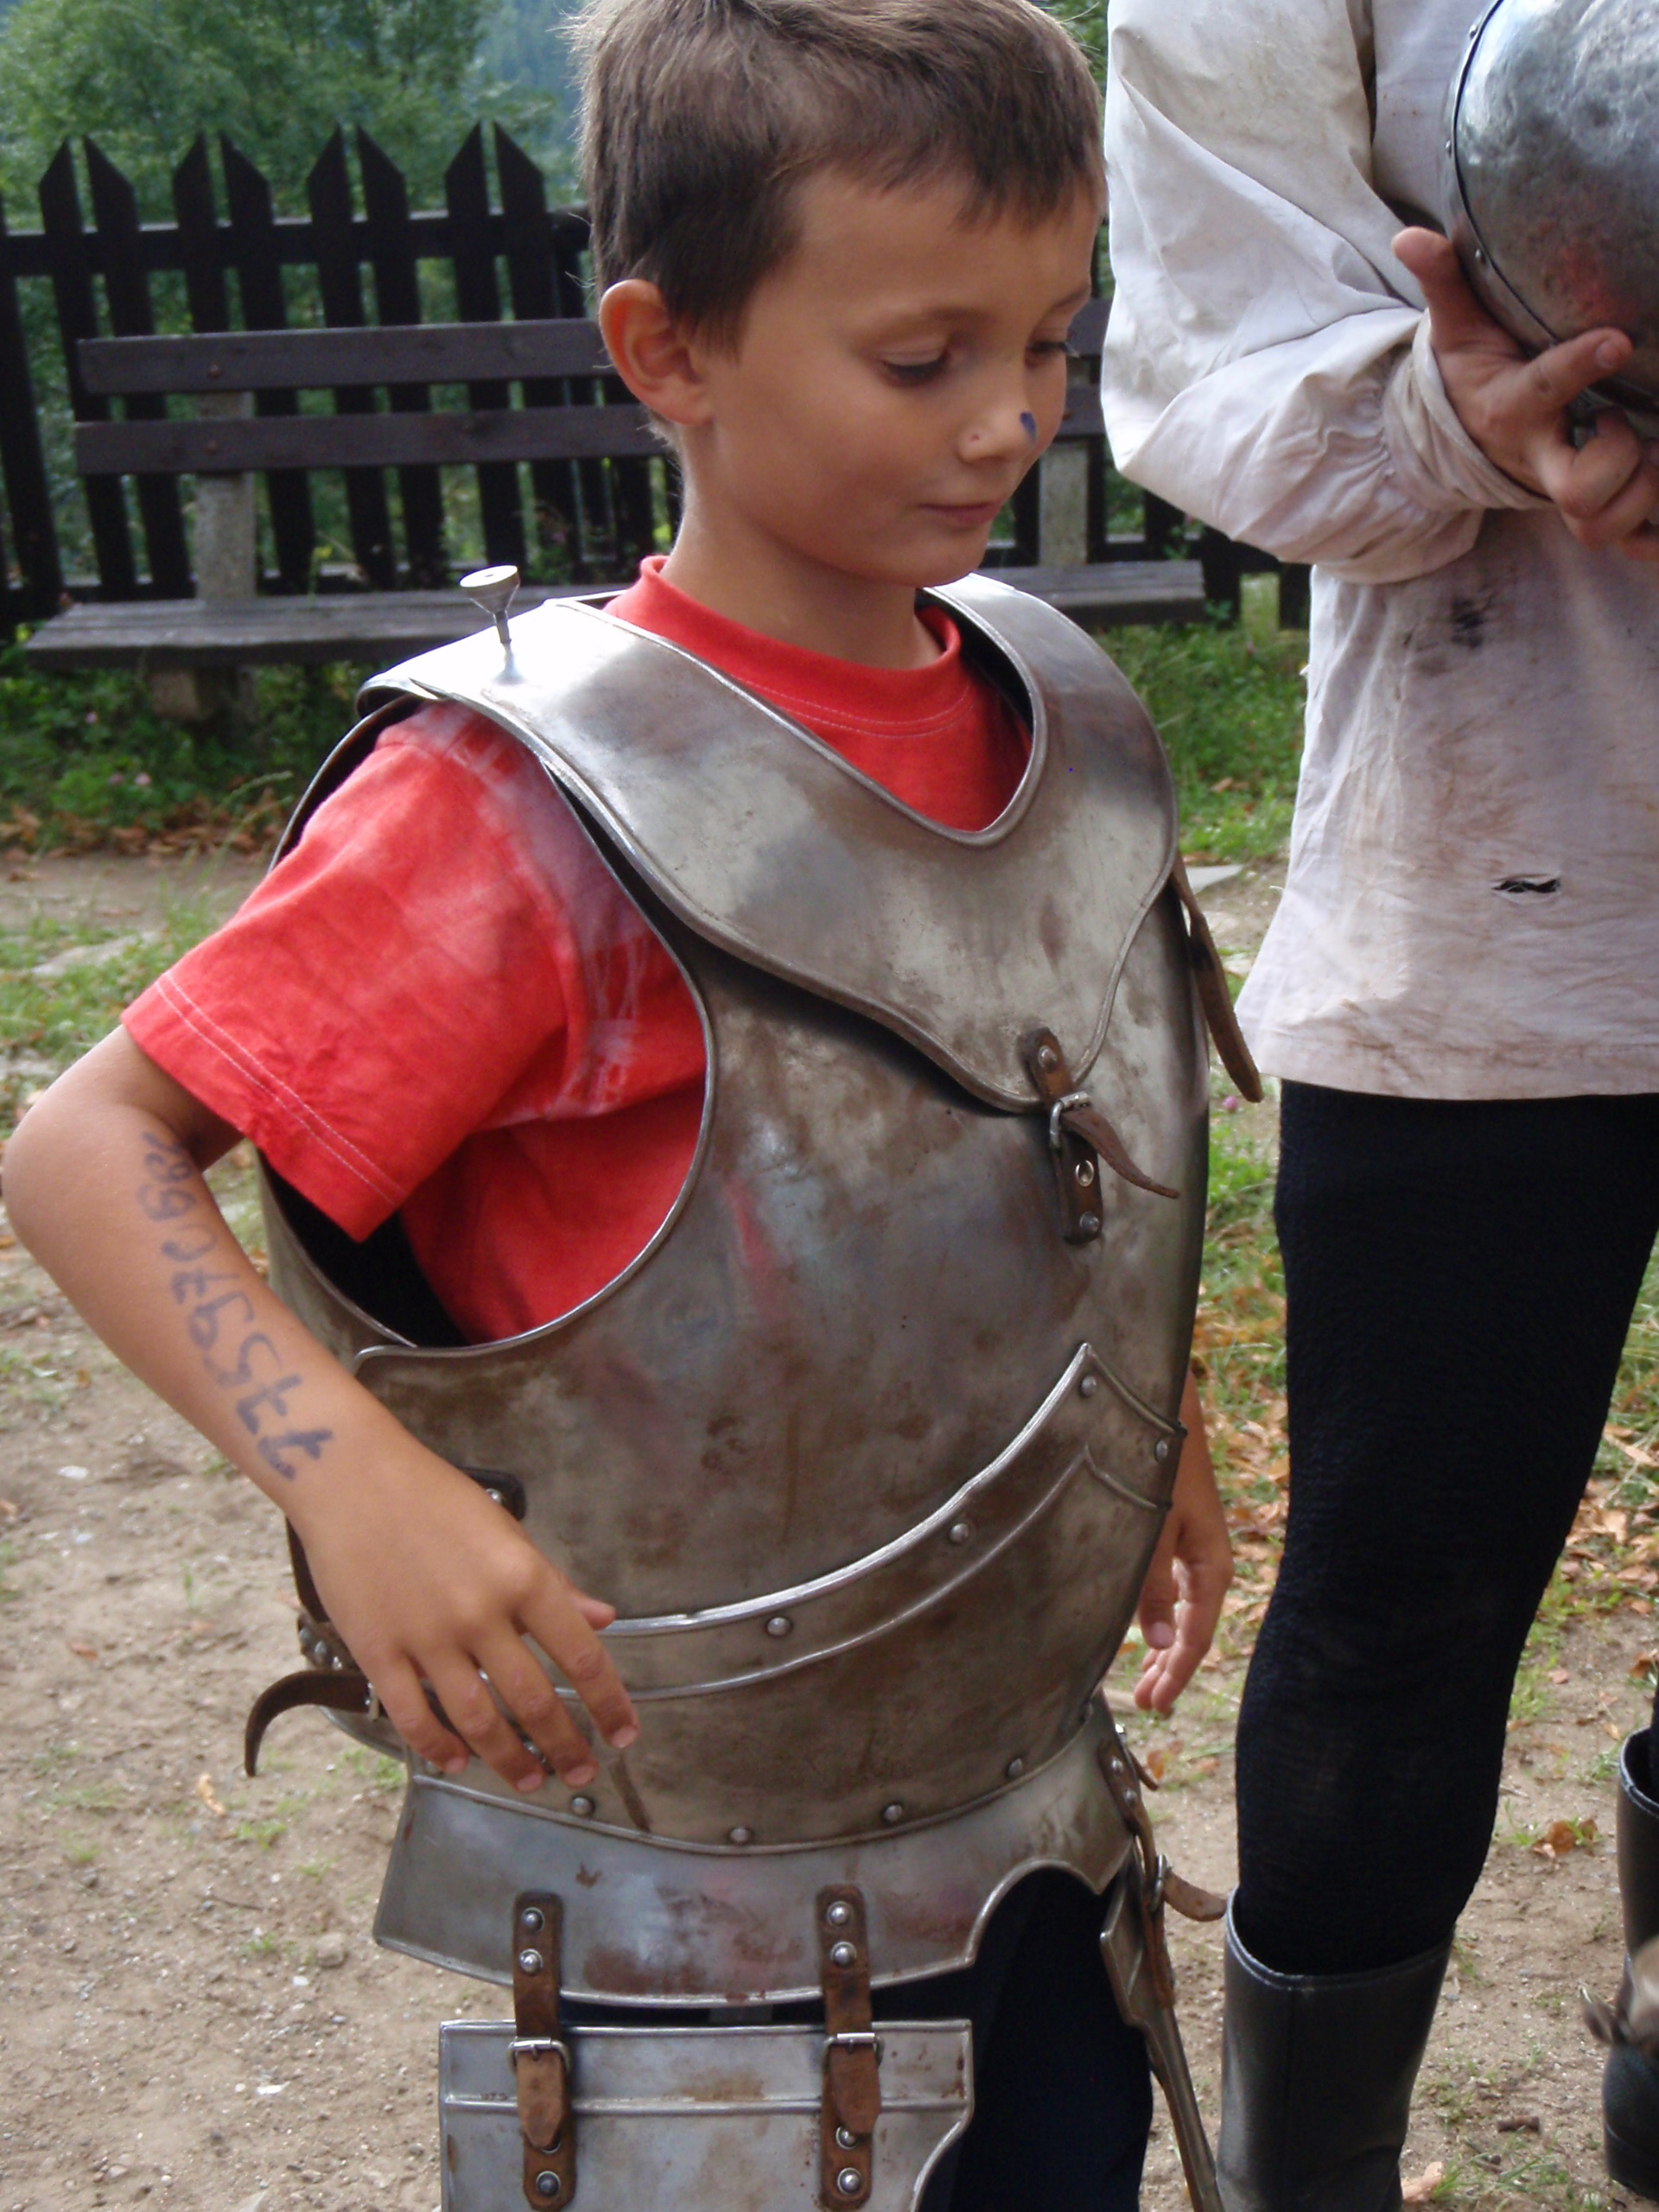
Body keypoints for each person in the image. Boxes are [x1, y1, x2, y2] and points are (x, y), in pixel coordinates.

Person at [5, 3, 1236, 2205]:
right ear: (669, 349)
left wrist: (1149, 1416)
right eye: (923, 355)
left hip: (1037, 1824)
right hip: (698, 1900)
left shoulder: (1064, 713)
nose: (1011, 417)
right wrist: (350, 1480)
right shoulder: (514, 808)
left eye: (1052, 338)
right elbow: (89, 1151)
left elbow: (1045, 1141)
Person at [1101, 0, 1659, 2204]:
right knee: (1397, 1605)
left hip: (1481, 898)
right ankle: (1302, 2182)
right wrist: (1458, 418)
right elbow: (1207, 362)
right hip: (1489, 887)